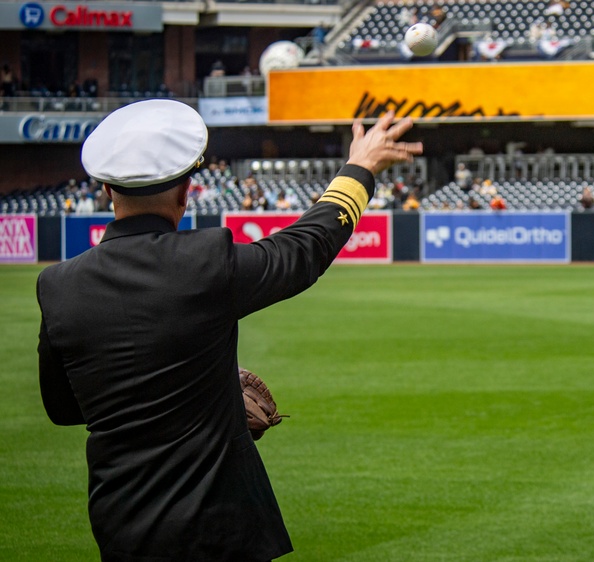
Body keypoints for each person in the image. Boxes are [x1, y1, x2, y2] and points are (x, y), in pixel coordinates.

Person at [35, 100, 422, 561]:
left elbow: (63, 407)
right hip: (221, 533)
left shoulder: (56, 286)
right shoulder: (205, 261)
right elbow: (305, 251)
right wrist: (359, 168)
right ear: (185, 192)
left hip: (122, 529)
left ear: (106, 191)